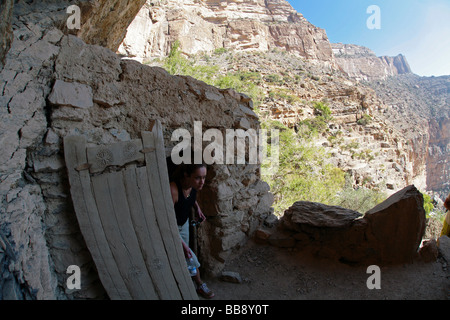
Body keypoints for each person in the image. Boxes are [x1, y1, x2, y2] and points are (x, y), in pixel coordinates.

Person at [169, 163, 215, 299]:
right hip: (173, 227)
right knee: (190, 257)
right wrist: (182, 245)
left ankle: (188, 279)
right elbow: (168, 220)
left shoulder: (192, 186)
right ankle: (199, 284)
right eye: (198, 178)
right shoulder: (173, 190)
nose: (202, 182)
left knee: (187, 256)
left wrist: (197, 208)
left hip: (184, 224)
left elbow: (190, 197)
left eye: (204, 177)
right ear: (186, 176)